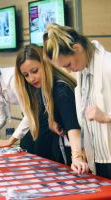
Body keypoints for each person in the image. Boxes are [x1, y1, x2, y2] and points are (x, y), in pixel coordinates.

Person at [43, 23, 111, 179]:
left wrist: (107, 117)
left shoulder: (108, 65)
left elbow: (102, 116)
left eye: (68, 64)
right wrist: (81, 152)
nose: (68, 71)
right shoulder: (83, 70)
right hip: (99, 159)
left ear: (77, 48)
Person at [0, 55, 57, 161]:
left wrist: (9, 141)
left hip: (46, 114)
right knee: (26, 150)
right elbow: (0, 118)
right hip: (32, 117)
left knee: (40, 155)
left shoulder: (11, 79)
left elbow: (30, 113)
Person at [15, 43, 89, 174]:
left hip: (77, 150)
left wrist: (77, 156)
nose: (31, 78)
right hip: (64, 147)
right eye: (25, 75)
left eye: (34, 71)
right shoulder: (40, 87)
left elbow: (73, 125)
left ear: (45, 64)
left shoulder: (61, 88)